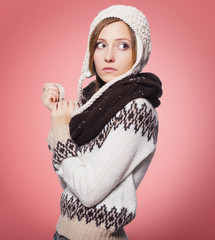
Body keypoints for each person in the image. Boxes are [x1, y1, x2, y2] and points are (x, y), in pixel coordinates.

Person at [41, 5, 163, 240]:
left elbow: (88, 192)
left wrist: (61, 129)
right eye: (101, 44)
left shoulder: (137, 110)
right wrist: (60, 115)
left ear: (138, 52)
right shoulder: (92, 107)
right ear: (91, 52)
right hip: (64, 233)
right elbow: (69, 182)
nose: (109, 56)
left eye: (123, 45)